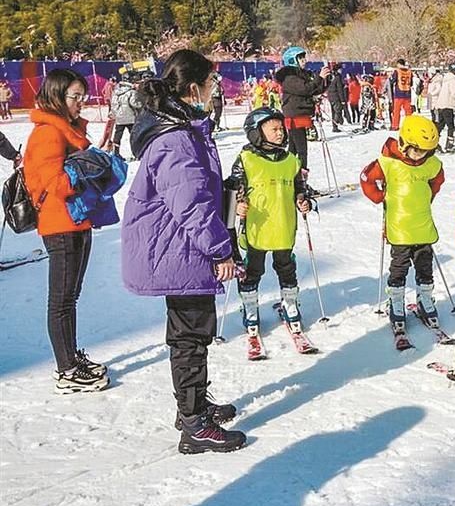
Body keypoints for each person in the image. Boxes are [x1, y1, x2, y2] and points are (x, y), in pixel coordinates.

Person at [121, 49, 245, 454]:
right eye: (211, 84)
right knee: (191, 336)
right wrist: (220, 250)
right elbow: (191, 204)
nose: (215, 91)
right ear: (193, 88)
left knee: (192, 331)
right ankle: (193, 424)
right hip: (181, 248)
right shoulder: (175, 139)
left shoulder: (183, 128)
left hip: (181, 247)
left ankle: (193, 406)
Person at [23, 68, 109, 393]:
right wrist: (87, 170)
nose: (81, 103)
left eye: (82, 97)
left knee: (70, 298)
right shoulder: (48, 133)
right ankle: (66, 369)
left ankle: (72, 356)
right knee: (60, 301)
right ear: (58, 96)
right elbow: (55, 184)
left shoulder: (69, 131)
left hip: (78, 221)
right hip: (59, 225)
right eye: (75, 97)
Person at [226, 107, 314, 357]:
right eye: (273, 129)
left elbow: (300, 187)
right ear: (256, 133)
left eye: (281, 128)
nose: (280, 133)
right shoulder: (247, 159)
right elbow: (233, 189)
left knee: (286, 267)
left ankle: (290, 305)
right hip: (257, 229)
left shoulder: (290, 161)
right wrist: (239, 204)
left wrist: (302, 199)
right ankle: (250, 311)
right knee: (253, 270)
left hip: (284, 227)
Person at [360, 115, 446, 345]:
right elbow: (366, 178)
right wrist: (378, 196)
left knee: (424, 266)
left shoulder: (432, 163)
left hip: (423, 226)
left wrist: (429, 194)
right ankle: (396, 301)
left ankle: (425, 299)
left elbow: (438, 179)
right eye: (417, 150)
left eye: (427, 151)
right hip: (399, 228)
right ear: (404, 143)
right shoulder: (388, 162)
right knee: (399, 267)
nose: (421, 156)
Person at [274, 46, 331, 174]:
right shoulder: (289, 77)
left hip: (300, 114)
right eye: (300, 58)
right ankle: (300, 178)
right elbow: (305, 89)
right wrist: (319, 78)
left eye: (304, 57)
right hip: (295, 115)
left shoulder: (301, 75)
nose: (304, 60)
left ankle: (293, 176)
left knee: (294, 149)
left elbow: (315, 89)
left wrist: (326, 79)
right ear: (292, 60)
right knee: (301, 150)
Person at [427, 63, 455, 152]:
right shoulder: (452, 79)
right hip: (445, 104)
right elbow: (454, 93)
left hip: (438, 103)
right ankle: (449, 145)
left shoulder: (443, 79)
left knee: (439, 125)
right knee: (450, 125)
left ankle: (433, 144)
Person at [108, 74, 142, 158]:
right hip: (130, 117)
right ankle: (136, 152)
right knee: (134, 135)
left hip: (119, 118)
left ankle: (116, 152)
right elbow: (134, 103)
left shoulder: (116, 92)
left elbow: (113, 104)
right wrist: (141, 105)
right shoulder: (131, 91)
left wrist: (115, 114)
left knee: (118, 135)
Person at [389, 59, 414, 130]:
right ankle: (409, 125)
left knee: (396, 111)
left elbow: (392, 81)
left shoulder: (397, 71)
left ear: (399, 64)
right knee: (408, 112)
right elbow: (411, 83)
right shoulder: (409, 72)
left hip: (399, 94)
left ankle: (395, 126)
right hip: (407, 93)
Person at [327, 65, 346, 132]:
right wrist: (342, 100)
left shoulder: (330, 76)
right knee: (338, 111)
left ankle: (335, 125)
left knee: (333, 112)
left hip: (330, 96)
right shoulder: (338, 77)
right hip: (336, 96)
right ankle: (335, 125)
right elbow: (339, 89)